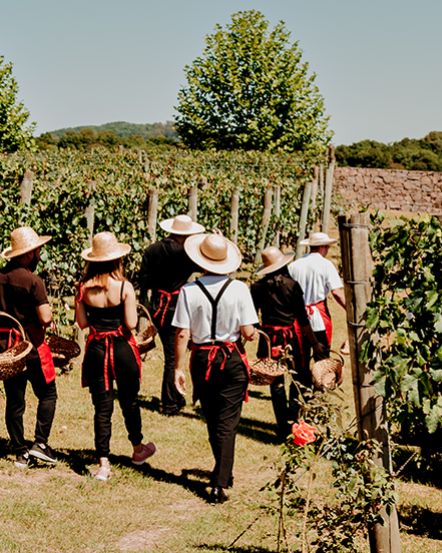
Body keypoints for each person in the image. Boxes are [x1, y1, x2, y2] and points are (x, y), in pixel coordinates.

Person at [173, 233, 258, 504]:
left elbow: (182, 334)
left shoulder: (188, 290)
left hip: (202, 359)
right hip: (231, 358)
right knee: (228, 421)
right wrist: (251, 332)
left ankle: (223, 471)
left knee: (212, 418)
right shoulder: (240, 289)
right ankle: (220, 482)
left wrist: (177, 368)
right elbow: (248, 332)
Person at [76, 232, 158, 482]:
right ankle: (137, 451)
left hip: (97, 349)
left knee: (102, 407)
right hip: (122, 348)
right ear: (116, 261)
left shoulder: (83, 289)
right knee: (130, 401)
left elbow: (81, 323)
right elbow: (132, 323)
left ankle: (103, 464)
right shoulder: (124, 287)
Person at [0, 226, 59, 467]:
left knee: (14, 401)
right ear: (26, 254)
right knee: (48, 393)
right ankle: (40, 443)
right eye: (37, 251)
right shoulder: (33, 281)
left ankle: (20, 451)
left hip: (8, 349)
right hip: (31, 346)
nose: (39, 255)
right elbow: (45, 317)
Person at [250, 246, 328, 438]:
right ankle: (294, 419)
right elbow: (303, 319)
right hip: (293, 338)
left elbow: (252, 318)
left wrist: (262, 330)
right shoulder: (292, 285)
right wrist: (315, 343)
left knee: (275, 380)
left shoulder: (257, 287)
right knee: (299, 377)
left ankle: (282, 425)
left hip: (269, 339)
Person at [138, 215, 204, 416]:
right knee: (173, 358)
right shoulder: (186, 253)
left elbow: (144, 281)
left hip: (158, 306)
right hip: (178, 307)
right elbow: (204, 266)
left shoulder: (151, 249)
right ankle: (169, 405)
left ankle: (176, 397)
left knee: (172, 355)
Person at [286, 232, 346, 364]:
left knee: (300, 359)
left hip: (297, 319)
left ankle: (301, 383)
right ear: (322, 247)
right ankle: (320, 383)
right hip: (319, 318)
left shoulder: (294, 265)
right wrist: (349, 309)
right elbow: (336, 292)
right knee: (322, 359)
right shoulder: (326, 265)